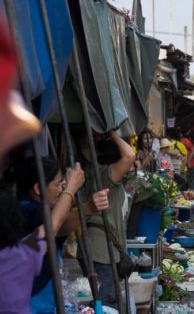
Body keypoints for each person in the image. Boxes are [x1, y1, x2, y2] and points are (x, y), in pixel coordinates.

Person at [15, 158, 109, 314]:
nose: (61, 189)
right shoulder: (30, 211)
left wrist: (87, 208)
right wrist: (72, 192)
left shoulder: (30, 209)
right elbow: (58, 226)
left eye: (63, 184)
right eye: (58, 184)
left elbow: (59, 225)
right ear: (38, 188)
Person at [81, 131, 135, 308]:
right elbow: (129, 155)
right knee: (106, 303)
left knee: (102, 301)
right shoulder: (107, 175)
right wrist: (112, 133)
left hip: (96, 247)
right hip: (101, 250)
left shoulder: (92, 170)